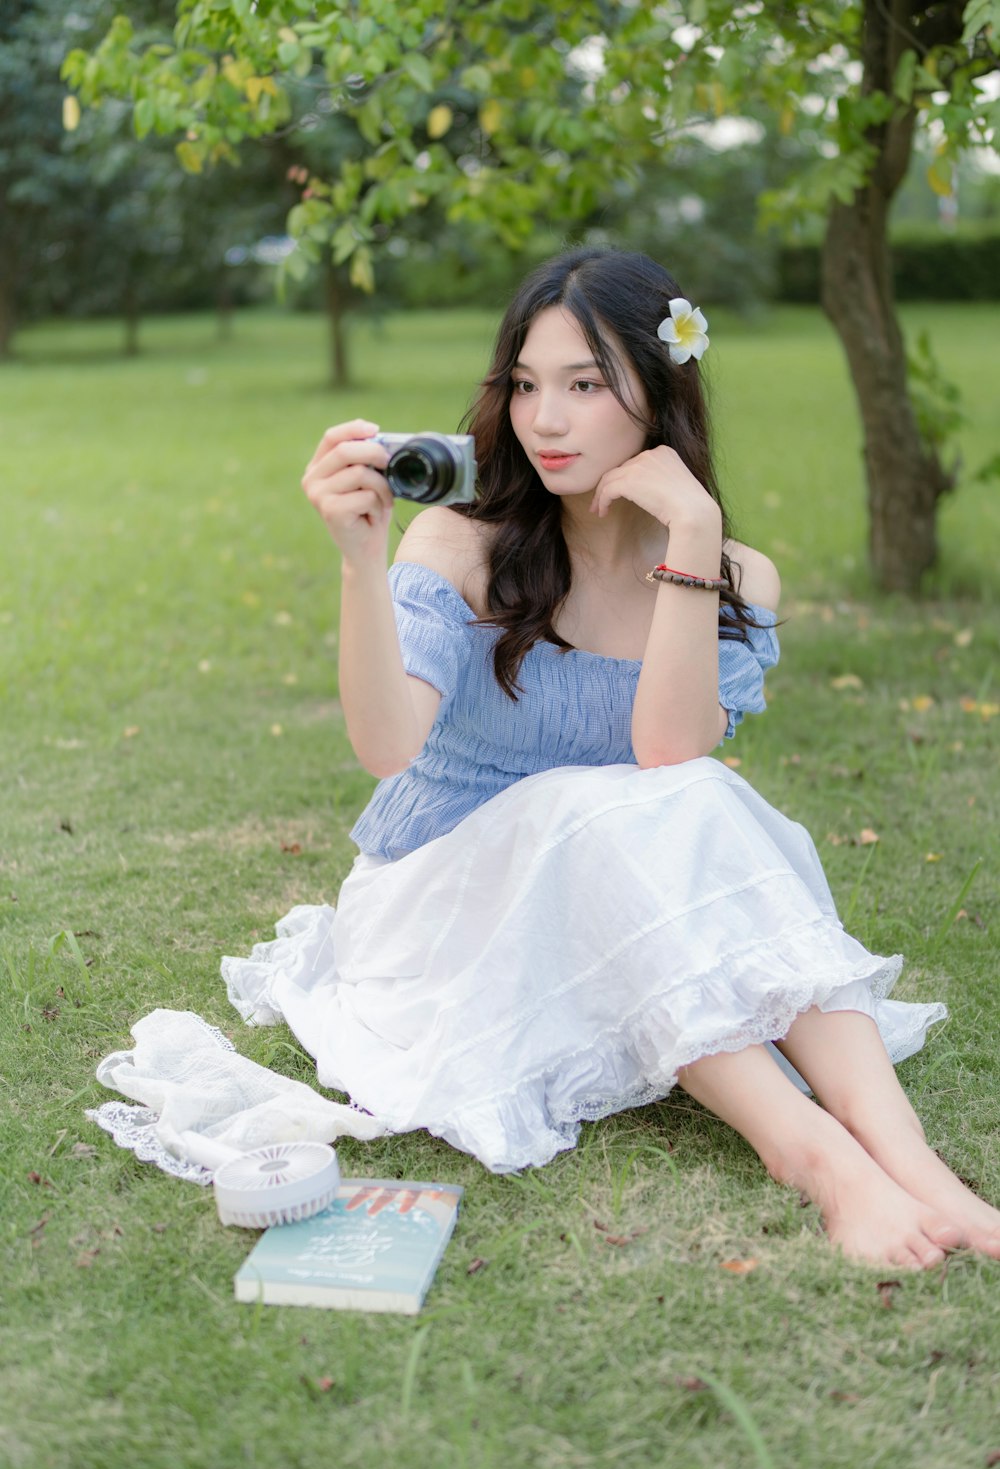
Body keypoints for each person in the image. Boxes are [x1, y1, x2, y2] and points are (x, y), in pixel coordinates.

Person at [223, 246, 1000, 1270]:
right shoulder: (460, 545)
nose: (545, 421)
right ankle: (815, 1158)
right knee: (602, 808)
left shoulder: (730, 570)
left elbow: (668, 752)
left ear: (655, 398)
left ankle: (920, 1167)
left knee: (690, 798)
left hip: (623, 881)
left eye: (586, 387)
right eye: (527, 386)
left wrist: (690, 529)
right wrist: (362, 564)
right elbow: (384, 746)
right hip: (447, 912)